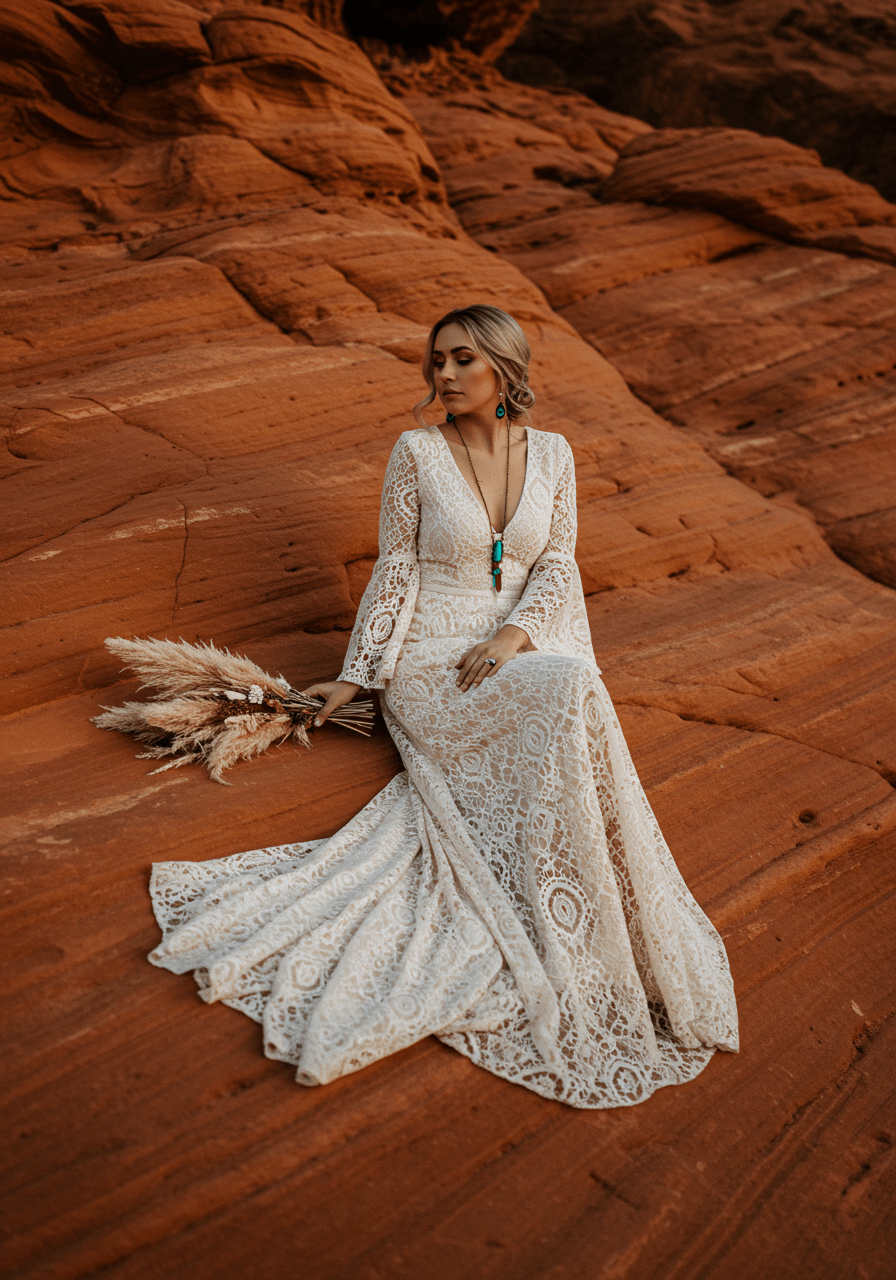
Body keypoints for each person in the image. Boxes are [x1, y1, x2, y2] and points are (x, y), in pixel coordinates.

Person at [148, 304, 738, 1108]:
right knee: (567, 693)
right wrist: (357, 680)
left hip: (509, 652)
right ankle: (559, 916)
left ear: (504, 368)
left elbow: (558, 563)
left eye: (463, 359)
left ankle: (601, 918)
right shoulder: (418, 452)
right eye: (437, 361)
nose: (445, 375)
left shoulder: (556, 455)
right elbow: (396, 570)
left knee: (572, 687)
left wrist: (517, 635)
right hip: (432, 666)